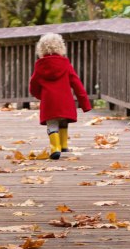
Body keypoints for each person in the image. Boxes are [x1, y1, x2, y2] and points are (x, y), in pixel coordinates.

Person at [29, 32, 92, 160]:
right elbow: (76, 83)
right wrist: (85, 103)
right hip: (65, 101)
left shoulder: (39, 66)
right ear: (61, 47)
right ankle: (64, 145)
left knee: (52, 124)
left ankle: (55, 148)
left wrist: (40, 96)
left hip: (49, 102)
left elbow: (33, 85)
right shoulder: (65, 64)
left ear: (41, 49)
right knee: (63, 121)